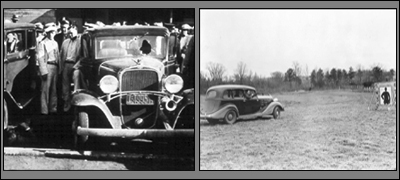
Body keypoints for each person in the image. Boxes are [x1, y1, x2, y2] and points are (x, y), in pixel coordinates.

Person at [36, 23, 61, 115]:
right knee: (45, 89)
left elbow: (58, 56)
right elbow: (40, 58)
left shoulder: (55, 43)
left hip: (55, 67)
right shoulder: (42, 43)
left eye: (53, 32)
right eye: (49, 32)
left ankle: (53, 108)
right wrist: (43, 71)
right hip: (47, 66)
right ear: (46, 33)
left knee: (54, 89)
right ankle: (44, 110)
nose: (51, 34)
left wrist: (59, 69)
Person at [59, 24, 82, 112]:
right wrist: (61, 67)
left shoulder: (80, 42)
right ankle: (66, 102)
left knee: (76, 84)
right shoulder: (65, 42)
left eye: (72, 33)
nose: (70, 34)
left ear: (76, 31)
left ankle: (77, 104)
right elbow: (61, 55)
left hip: (75, 65)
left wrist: (75, 67)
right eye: (69, 33)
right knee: (65, 85)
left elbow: (81, 56)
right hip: (66, 65)